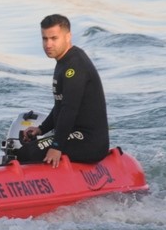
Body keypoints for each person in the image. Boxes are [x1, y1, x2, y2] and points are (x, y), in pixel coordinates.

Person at [17, 14, 110, 167]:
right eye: (45, 39)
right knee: (23, 148)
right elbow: (61, 104)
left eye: (54, 38)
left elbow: (69, 109)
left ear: (68, 37)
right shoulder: (63, 61)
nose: (48, 44)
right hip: (73, 135)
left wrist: (56, 147)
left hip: (89, 141)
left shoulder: (74, 66)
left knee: (29, 152)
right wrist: (41, 129)